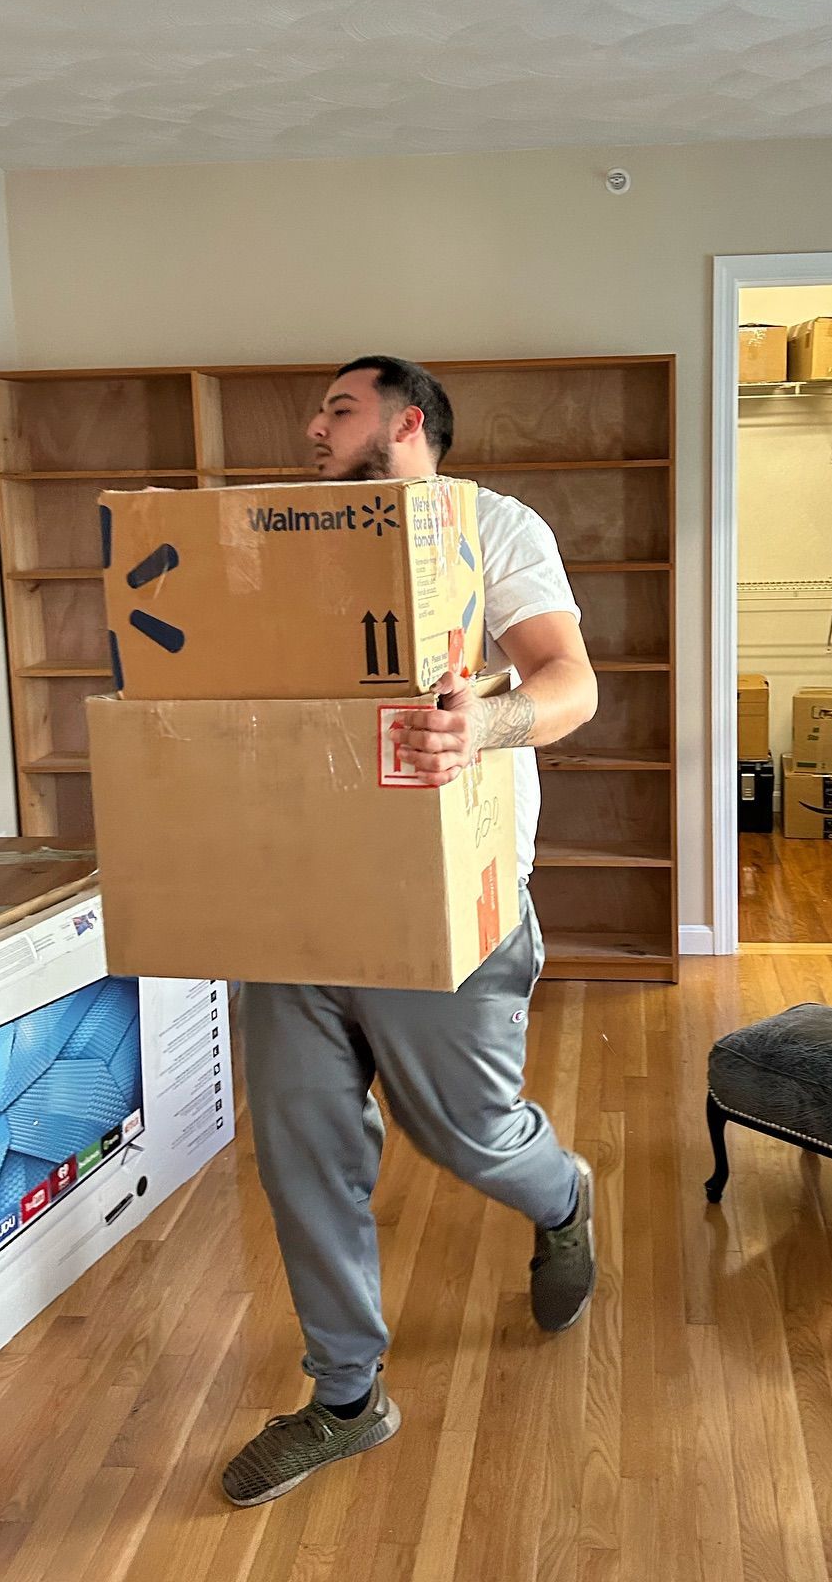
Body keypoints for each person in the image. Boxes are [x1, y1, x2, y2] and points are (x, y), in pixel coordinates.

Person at [223, 355, 600, 1509]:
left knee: (469, 1136)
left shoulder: (494, 527)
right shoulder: (278, 540)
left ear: (409, 423)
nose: (311, 428)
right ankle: (346, 1399)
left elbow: (571, 683)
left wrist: (484, 723)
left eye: (336, 409)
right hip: (296, 899)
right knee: (301, 1153)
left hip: (449, 903)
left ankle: (563, 1195)